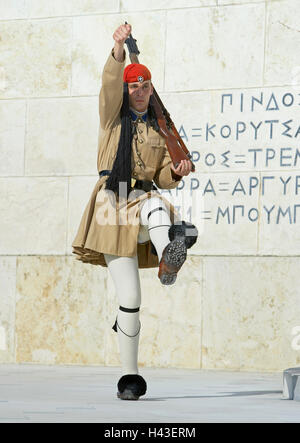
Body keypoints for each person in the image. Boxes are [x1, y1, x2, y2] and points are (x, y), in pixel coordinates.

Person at [72, 23, 198, 400]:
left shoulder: (160, 130)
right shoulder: (113, 117)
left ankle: (168, 255)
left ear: (151, 88)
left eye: (145, 86)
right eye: (133, 87)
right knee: (130, 299)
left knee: (156, 202)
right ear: (126, 91)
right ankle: (130, 378)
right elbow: (110, 83)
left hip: (142, 200)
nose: (139, 92)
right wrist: (117, 49)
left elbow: (159, 175)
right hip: (113, 200)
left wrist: (175, 172)